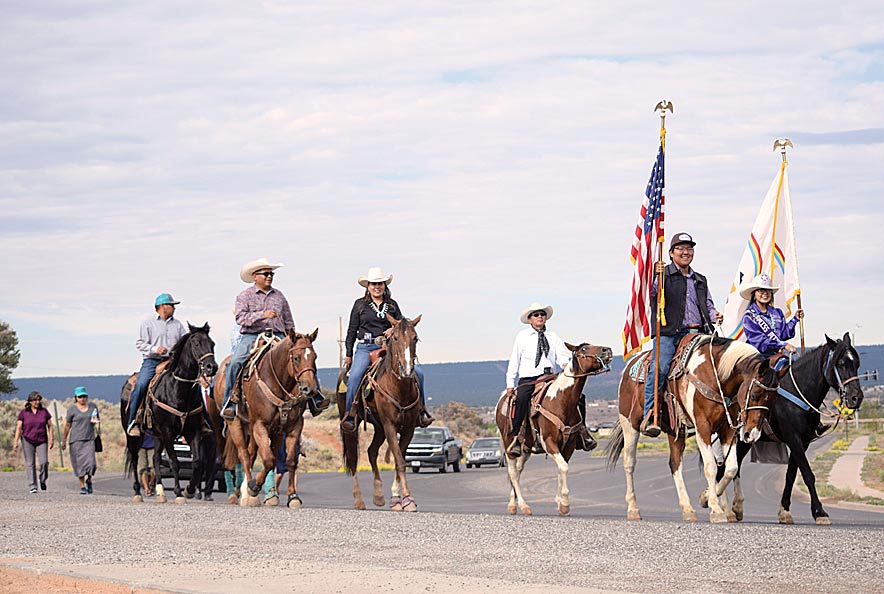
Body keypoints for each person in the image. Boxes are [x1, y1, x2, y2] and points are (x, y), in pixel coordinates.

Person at [222, 257, 328, 420]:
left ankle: (315, 398)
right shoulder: (244, 296)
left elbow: (288, 320)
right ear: (255, 276)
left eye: (271, 274)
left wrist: (293, 336)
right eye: (265, 274)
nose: (269, 276)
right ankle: (230, 402)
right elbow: (240, 318)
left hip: (279, 335)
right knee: (235, 362)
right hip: (252, 335)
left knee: (304, 355)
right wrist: (261, 315)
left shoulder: (279, 296)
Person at [642, 232, 724, 438]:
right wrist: (655, 276)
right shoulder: (662, 276)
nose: (685, 252)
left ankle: (725, 412)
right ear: (671, 253)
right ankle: (651, 413)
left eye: (689, 248)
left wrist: (715, 315)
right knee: (660, 367)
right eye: (680, 248)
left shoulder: (700, 279)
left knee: (722, 364)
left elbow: (707, 304)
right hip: (670, 333)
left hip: (701, 332)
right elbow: (649, 296)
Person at [341, 267, 433, 432]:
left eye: (380, 283)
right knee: (355, 375)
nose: (377, 287)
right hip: (365, 347)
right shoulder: (360, 305)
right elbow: (351, 331)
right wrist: (348, 355)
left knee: (418, 373)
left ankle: (421, 411)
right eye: (374, 284)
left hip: (389, 347)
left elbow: (403, 327)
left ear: (385, 285)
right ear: (368, 286)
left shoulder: (392, 305)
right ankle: (350, 414)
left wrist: (394, 330)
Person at [504, 302, 595, 457]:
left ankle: (582, 432)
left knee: (578, 397)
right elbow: (515, 360)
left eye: (542, 314)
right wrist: (510, 383)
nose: (540, 317)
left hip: (550, 377)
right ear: (530, 319)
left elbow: (561, 356)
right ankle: (517, 438)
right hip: (529, 378)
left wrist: (566, 365)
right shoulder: (522, 337)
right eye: (536, 314)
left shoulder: (553, 336)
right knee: (522, 399)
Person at [126, 293, 187, 436]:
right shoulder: (148, 323)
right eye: (171, 305)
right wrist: (155, 349)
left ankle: (200, 418)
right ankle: (134, 420)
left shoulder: (177, 324)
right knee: (141, 385)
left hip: (172, 362)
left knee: (189, 382)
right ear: (162, 307)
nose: (173, 308)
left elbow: (184, 341)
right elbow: (140, 343)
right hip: (152, 361)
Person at [740, 273, 804, 359]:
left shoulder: (777, 312)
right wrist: (783, 345)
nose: (765, 293)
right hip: (757, 358)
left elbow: (784, 335)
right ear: (754, 293)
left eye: (768, 290)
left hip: (776, 356)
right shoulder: (749, 316)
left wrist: (795, 319)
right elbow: (759, 342)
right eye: (761, 290)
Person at [12, 391, 54, 494]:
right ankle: (33, 486)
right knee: (30, 464)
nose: (37, 402)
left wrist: (52, 439)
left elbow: (50, 426)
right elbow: (19, 427)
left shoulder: (44, 412)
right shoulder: (24, 412)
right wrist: (16, 442)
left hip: (42, 440)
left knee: (44, 462)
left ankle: (43, 479)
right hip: (27, 440)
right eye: (35, 400)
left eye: (38, 400)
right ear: (30, 401)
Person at [62, 386, 100, 494]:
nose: (82, 399)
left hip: (89, 439)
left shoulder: (93, 407)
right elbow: (67, 425)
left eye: (84, 396)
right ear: (76, 398)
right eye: (80, 397)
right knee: (79, 465)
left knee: (91, 463)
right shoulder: (72, 409)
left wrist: (96, 422)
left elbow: (97, 420)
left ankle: (89, 480)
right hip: (76, 440)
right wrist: (64, 440)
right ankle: (82, 485)